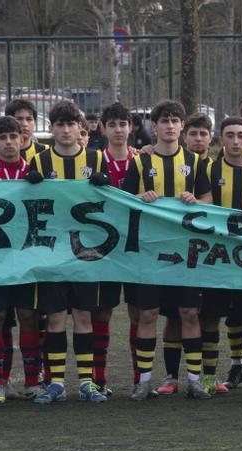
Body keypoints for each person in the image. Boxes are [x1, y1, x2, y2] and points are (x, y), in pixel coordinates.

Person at [122, 99, 211, 401]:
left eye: (175, 121)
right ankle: (144, 381)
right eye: (164, 121)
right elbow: (125, 201)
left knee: (189, 313)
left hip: (187, 251)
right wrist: (139, 197)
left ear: (182, 126)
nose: (170, 126)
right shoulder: (140, 162)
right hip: (150, 251)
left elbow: (210, 202)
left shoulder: (196, 162)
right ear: (154, 126)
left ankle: (194, 380)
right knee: (147, 314)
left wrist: (196, 202)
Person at [26, 100, 109, 404]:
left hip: (87, 252)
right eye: (59, 124)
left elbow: (112, 202)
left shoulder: (97, 159)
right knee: (56, 317)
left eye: (70, 124)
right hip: (52, 252)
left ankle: (87, 382)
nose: (65, 129)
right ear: (51, 129)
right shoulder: (39, 160)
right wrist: (29, 184)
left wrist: (106, 183)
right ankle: (56, 382)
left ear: (79, 128)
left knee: (84, 315)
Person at [193, 116, 242, 395]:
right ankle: (210, 377)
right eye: (230, 136)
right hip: (216, 256)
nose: (235, 141)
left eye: (240, 136)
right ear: (220, 139)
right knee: (210, 317)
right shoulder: (208, 170)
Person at [0, 116, 43, 403]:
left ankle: (31, 383)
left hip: (27, 260)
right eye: (3, 137)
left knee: (29, 317)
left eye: (14, 137)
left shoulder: (35, 172)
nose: (9, 142)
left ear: (23, 139)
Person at [155, 112, 220, 396]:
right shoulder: (146, 160)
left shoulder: (205, 165)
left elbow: (210, 199)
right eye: (192, 133)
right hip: (162, 252)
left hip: (200, 252)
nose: (197, 139)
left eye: (202, 133)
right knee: (173, 316)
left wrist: (197, 200)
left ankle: (202, 377)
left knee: (198, 314)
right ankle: (171, 377)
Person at [94, 102, 135, 396]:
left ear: (130, 127)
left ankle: (140, 380)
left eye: (123, 124)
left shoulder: (144, 160)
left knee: (140, 314)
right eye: (113, 124)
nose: (118, 130)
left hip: (137, 248)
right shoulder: (94, 161)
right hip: (104, 248)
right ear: (103, 128)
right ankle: (100, 378)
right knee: (102, 313)